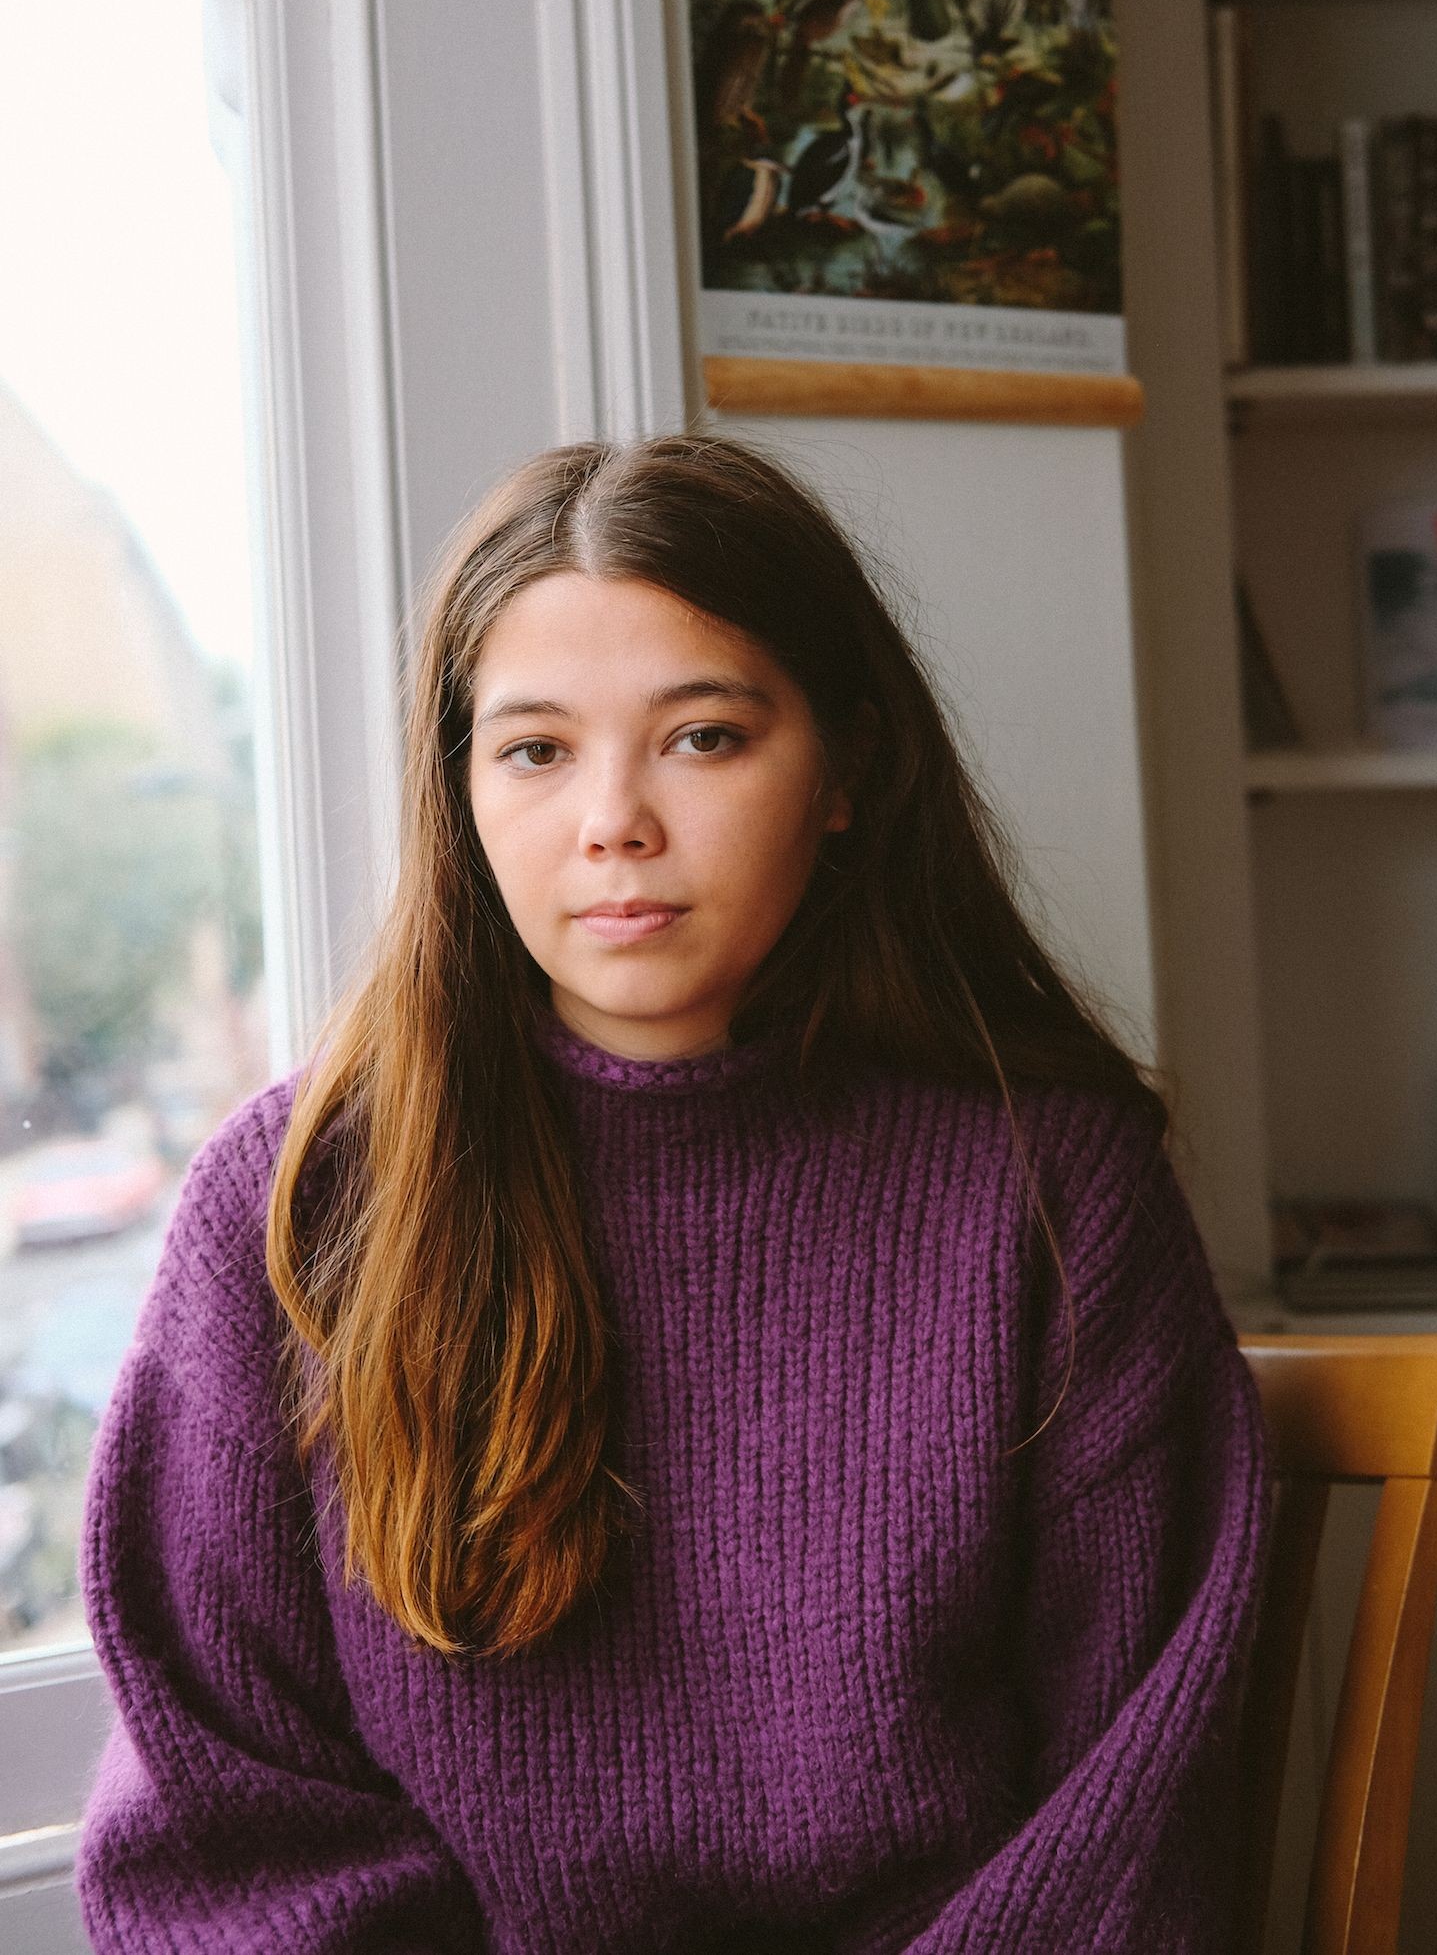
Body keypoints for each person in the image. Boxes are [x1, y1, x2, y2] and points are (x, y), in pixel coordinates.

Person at [75, 432, 1269, 1953]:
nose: (613, 821)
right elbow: (220, 1827)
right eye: (535, 749)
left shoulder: (1053, 1188)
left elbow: (1129, 1812)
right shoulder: (297, 1203)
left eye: (703, 735)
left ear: (845, 769)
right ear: (460, 792)